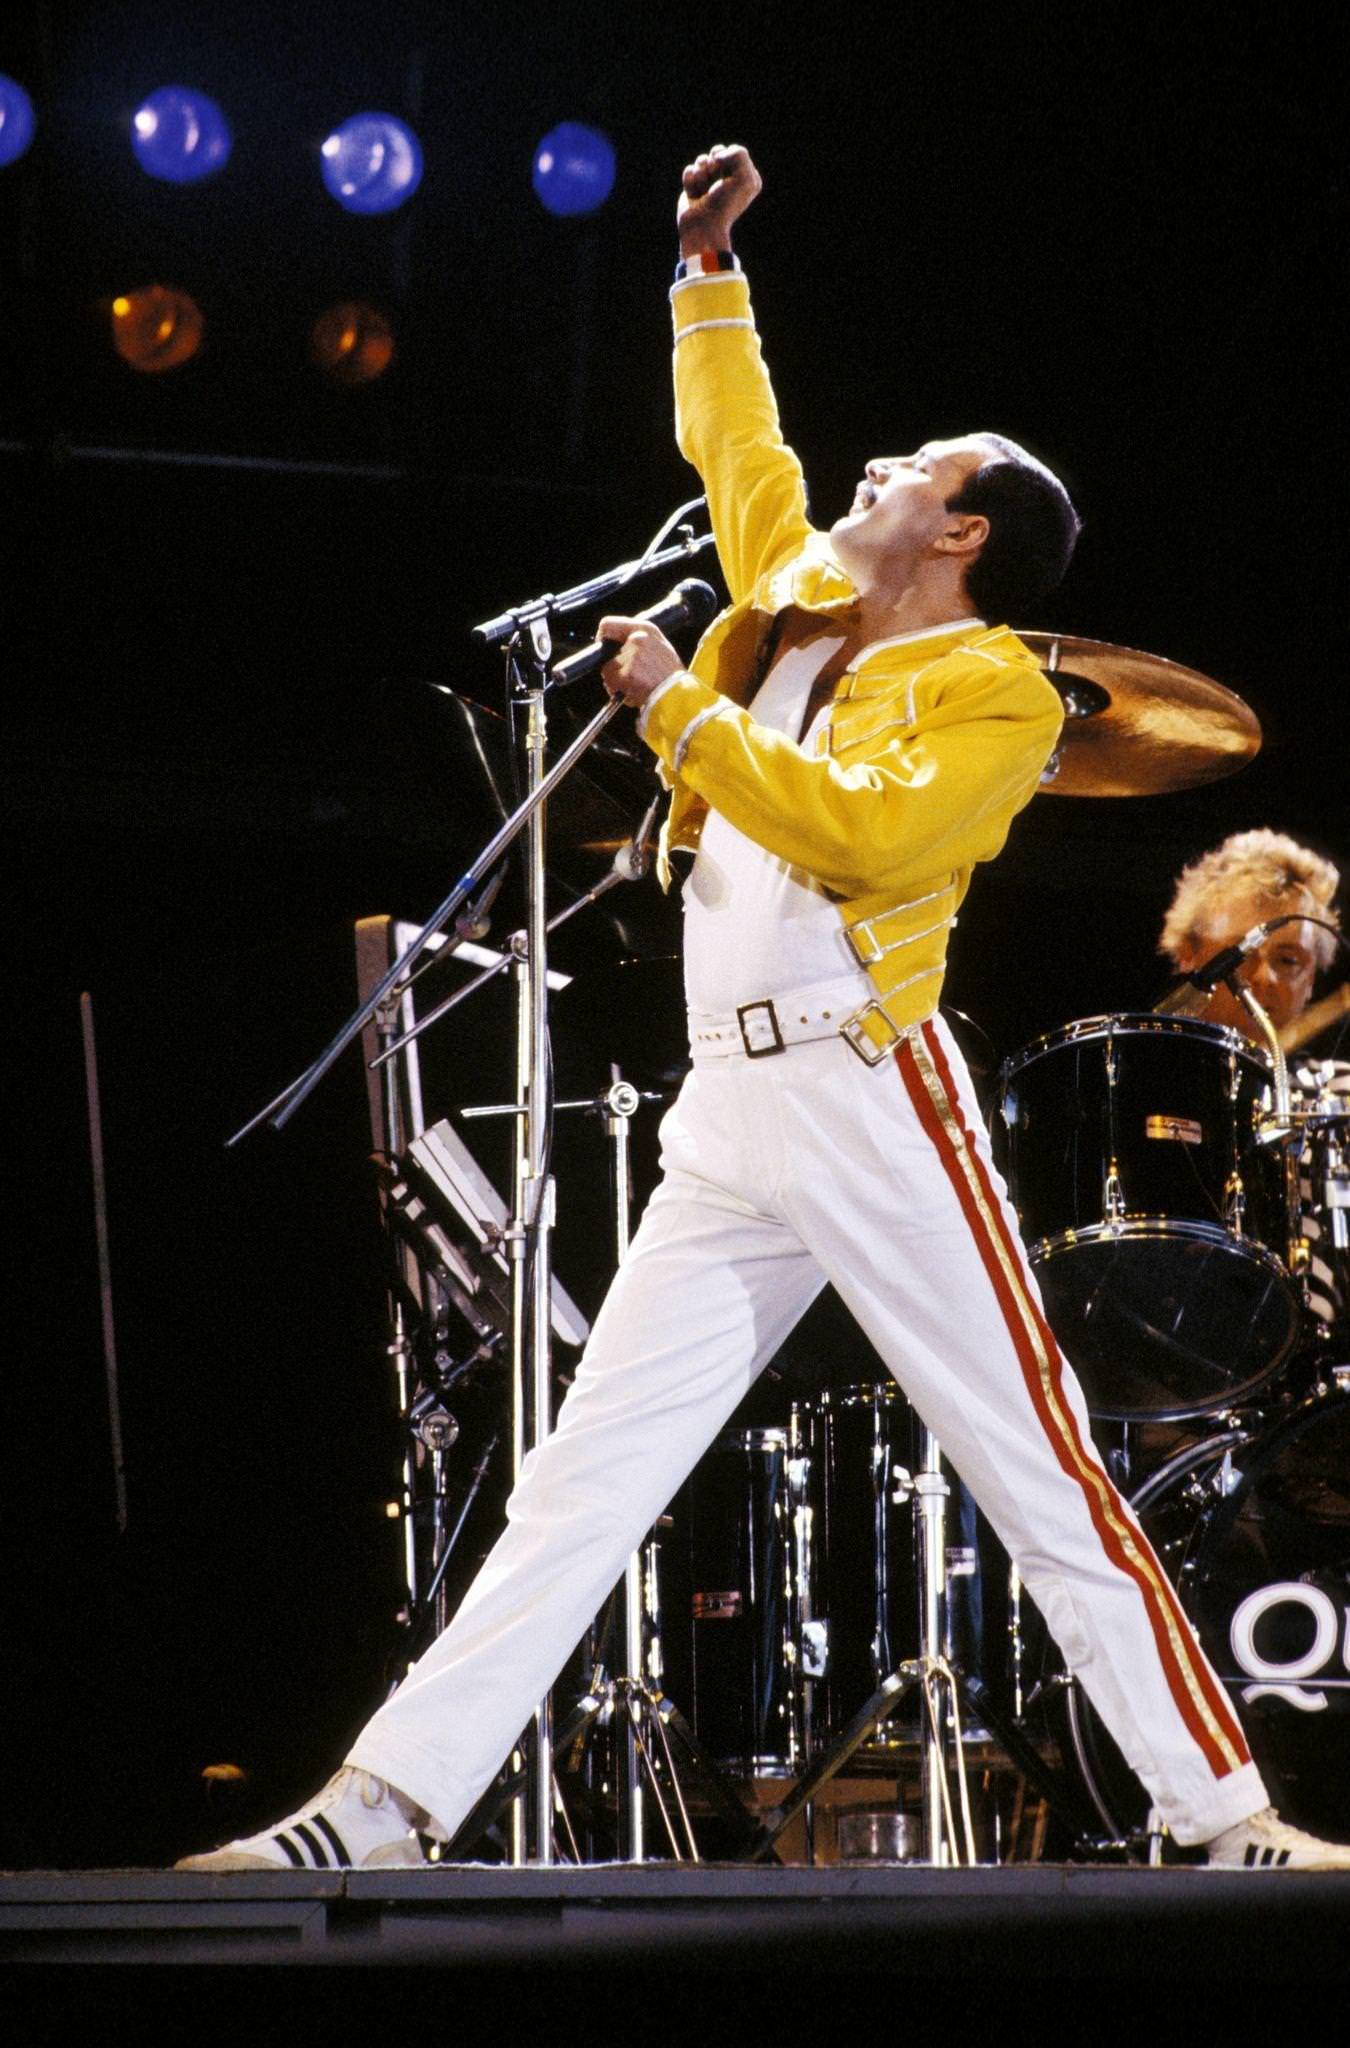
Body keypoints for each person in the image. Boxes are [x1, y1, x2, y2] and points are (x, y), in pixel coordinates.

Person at [181, 146, 1349, 1874]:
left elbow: (864, 835)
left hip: (876, 1095)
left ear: (962, 530)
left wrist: (674, 716)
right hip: (728, 1114)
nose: (867, 472)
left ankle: (1230, 1810)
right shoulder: (798, 601)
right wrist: (704, 268)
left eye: (910, 468)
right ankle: (378, 1806)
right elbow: (743, 446)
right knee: (581, 1476)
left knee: (1030, 1457)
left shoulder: (993, 691)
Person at [1159, 827, 1347, 1335]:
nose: (1263, 979)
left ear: (1312, 979)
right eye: (1239, 956)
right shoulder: (1133, 1091)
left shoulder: (1337, 1095)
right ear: (1189, 955)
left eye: (1289, 962)